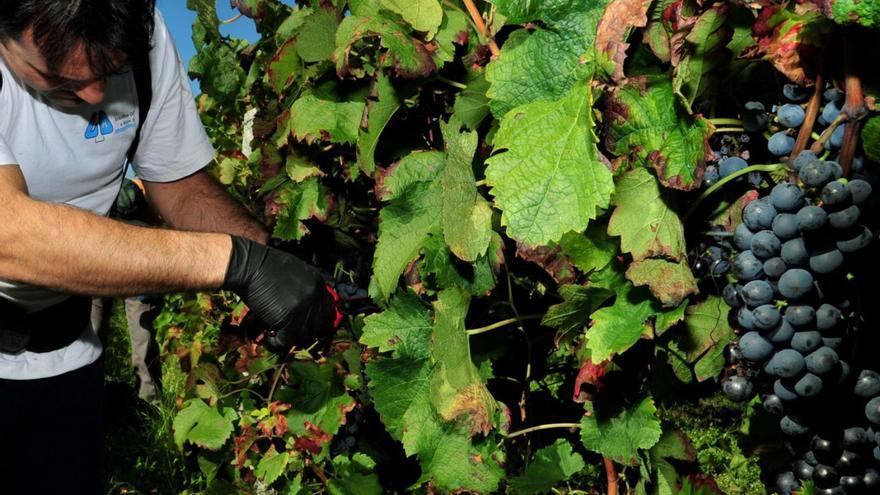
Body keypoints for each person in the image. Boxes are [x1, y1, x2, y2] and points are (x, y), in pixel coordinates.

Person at [0, 2, 337, 494]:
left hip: (66, 354)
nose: (96, 93)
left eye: (111, 71)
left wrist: (274, 259)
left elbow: (179, 187)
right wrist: (235, 263)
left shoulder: (142, 26)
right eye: (58, 77)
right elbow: (9, 234)